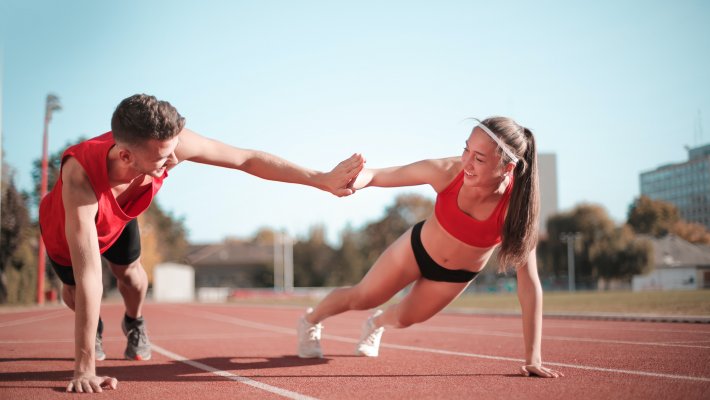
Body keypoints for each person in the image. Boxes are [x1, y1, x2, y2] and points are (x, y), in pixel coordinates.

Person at [39, 93, 365, 393]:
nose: (173, 161)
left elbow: (246, 159)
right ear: (125, 155)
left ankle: (134, 322)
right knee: (78, 292)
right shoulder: (80, 179)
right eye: (163, 158)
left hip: (120, 216)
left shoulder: (172, 146)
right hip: (67, 227)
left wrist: (319, 179)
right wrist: (84, 370)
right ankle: (93, 328)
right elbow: (90, 275)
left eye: (173, 151)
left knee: (133, 277)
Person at [297, 116, 563, 378]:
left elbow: (528, 282)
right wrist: (350, 180)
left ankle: (375, 324)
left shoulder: (516, 209)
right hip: (416, 250)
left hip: (455, 276)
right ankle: (310, 320)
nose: (466, 163)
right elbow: (378, 175)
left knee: (403, 318)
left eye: (479, 159)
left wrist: (533, 359)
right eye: (465, 149)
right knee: (364, 296)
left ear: (507, 168)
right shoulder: (447, 171)